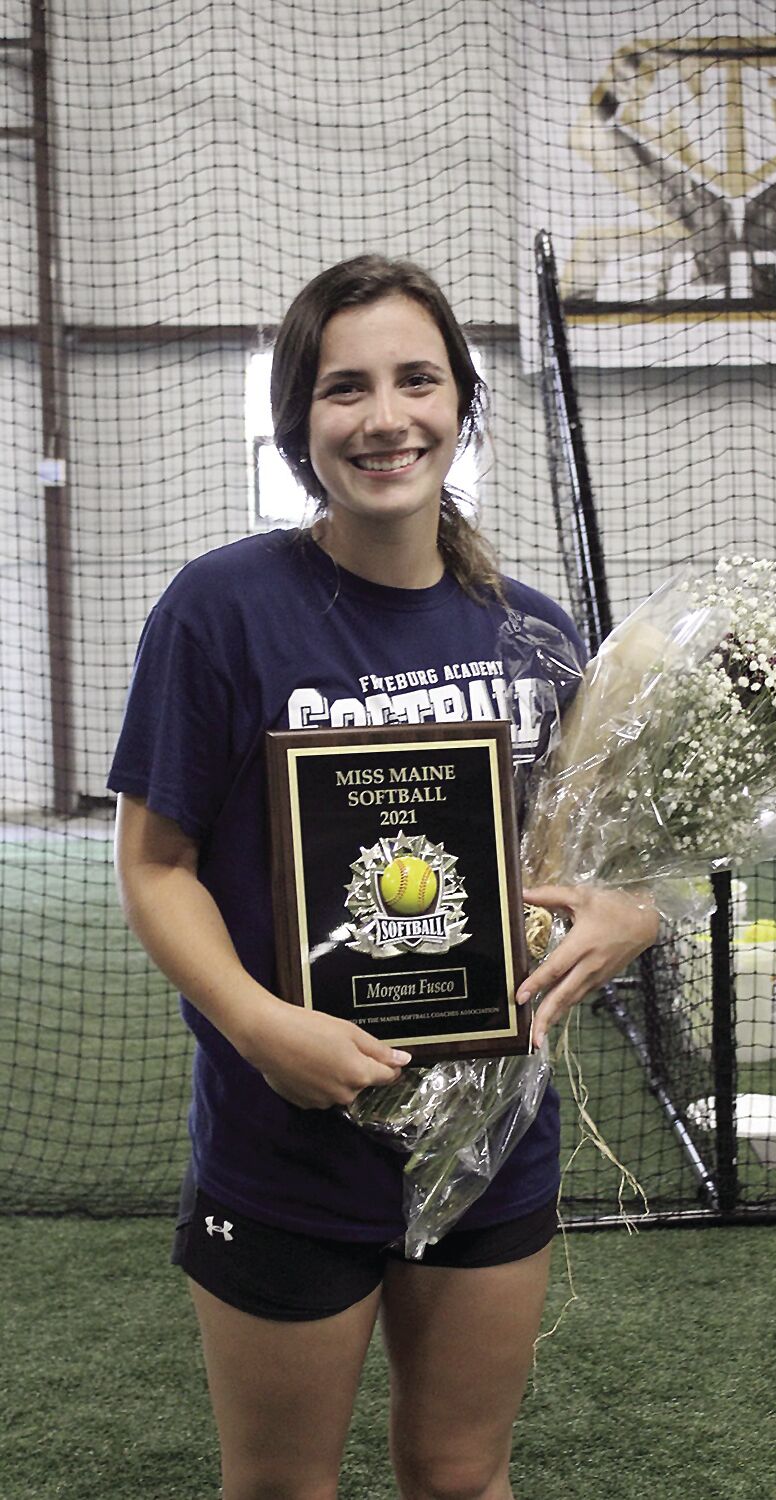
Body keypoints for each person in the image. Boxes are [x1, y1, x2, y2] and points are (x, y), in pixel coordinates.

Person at [109, 254, 658, 1500]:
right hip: (286, 1139)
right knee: (282, 1487)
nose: (385, 418)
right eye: (343, 388)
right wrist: (260, 1028)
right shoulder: (220, 608)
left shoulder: (532, 632)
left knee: (461, 1476)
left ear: (460, 403)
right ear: (299, 422)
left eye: (416, 380)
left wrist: (629, 911)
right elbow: (155, 864)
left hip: (494, 1139)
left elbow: (584, 864)